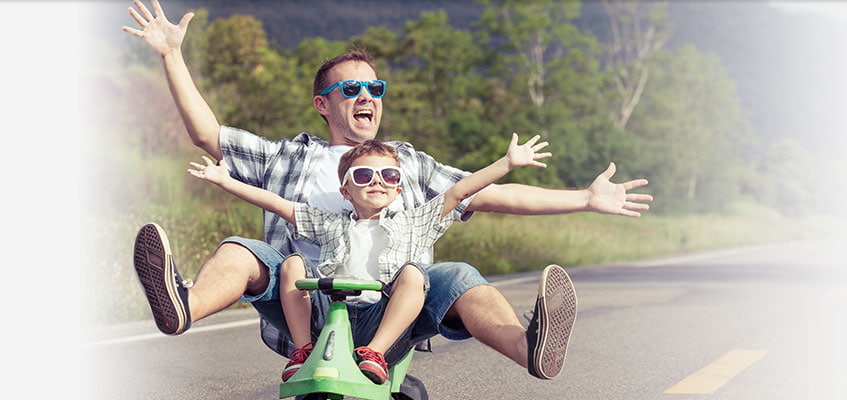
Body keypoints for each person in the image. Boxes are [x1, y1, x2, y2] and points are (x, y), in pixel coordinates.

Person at [123, 0, 652, 381]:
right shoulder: (288, 156)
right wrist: (171, 54)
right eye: (349, 87)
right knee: (242, 251)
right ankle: (182, 306)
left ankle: (531, 347)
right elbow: (207, 135)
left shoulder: (407, 163)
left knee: (457, 276)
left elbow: (485, 194)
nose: (366, 95)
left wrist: (584, 198)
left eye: (375, 87)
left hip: (389, 307)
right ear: (322, 104)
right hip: (303, 304)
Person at [185, 135, 551, 384]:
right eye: (364, 175)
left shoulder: (414, 221)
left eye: (389, 175)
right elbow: (277, 204)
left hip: (383, 322)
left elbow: (460, 190)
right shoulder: (329, 223)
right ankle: (301, 350)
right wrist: (226, 181)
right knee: (294, 263)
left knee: (412, 273)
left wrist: (507, 163)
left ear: (398, 187)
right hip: (328, 316)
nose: (378, 181)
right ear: (345, 189)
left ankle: (374, 355)